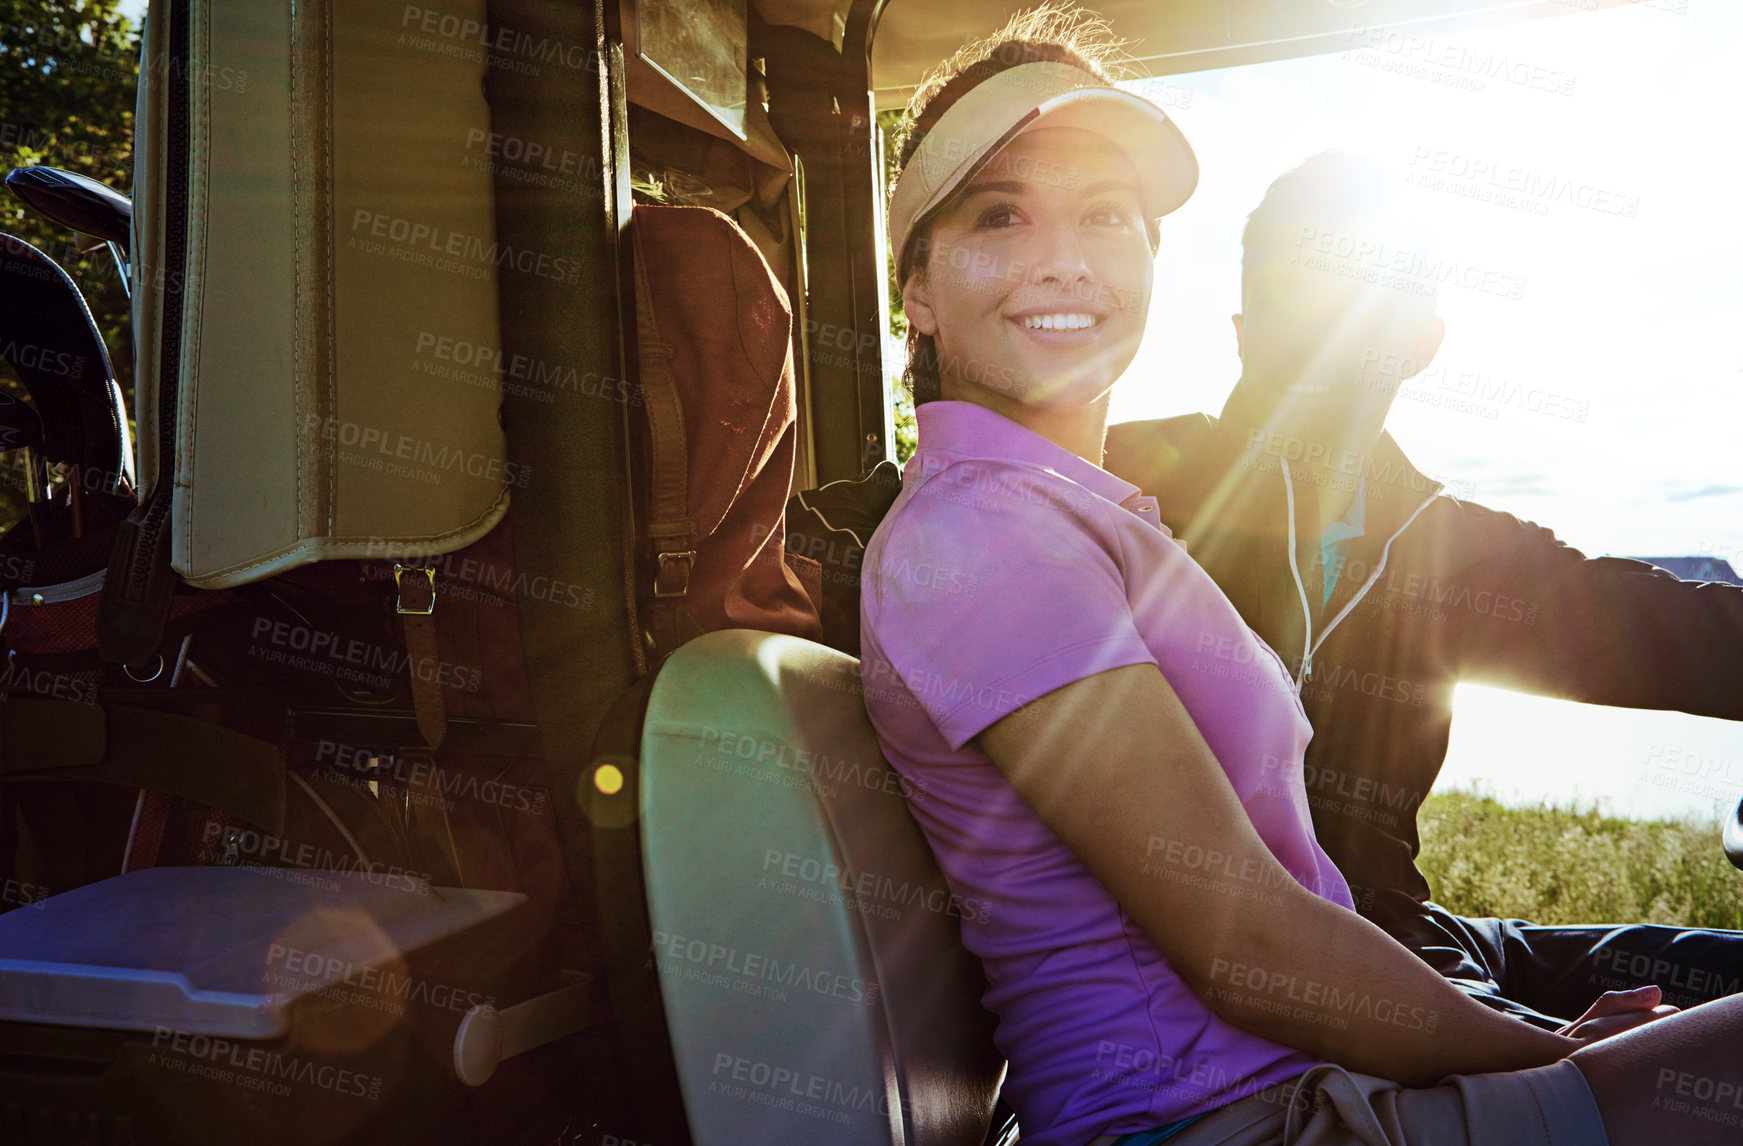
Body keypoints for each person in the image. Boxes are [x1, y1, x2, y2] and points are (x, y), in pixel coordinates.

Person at [859, 7, 1743, 1145]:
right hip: (1247, 1091)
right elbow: (1247, 946)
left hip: (1374, 979)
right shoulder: (1020, 517)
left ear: (1424, 337)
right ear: (916, 290)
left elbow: (1672, 628)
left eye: (1106, 217)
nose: (1064, 258)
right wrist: (1559, 1050)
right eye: (998, 214)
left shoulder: (1118, 509)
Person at [1102, 153, 1743, 1031]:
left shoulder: (1457, 551)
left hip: (1414, 933)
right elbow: (927, 500)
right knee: (1640, 1061)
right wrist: (841, 549)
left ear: (1420, 344)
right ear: (1244, 327)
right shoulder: (1117, 482)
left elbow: (1683, 636)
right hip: (1276, 982)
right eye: (1299, 297)